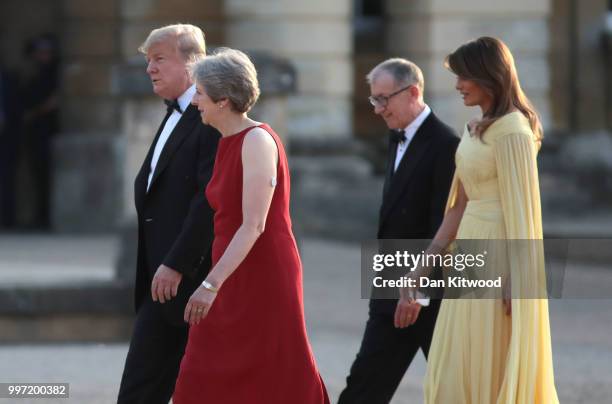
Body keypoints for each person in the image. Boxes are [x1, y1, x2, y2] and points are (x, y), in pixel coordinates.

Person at [172, 48, 329, 404]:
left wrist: (210, 284)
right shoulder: (226, 141)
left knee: (274, 368)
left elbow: (254, 225)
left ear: (223, 100)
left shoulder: (257, 140)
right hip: (230, 266)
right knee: (202, 366)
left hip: (262, 270)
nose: (194, 101)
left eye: (199, 93)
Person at [417, 37, 559, 403]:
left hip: (499, 252)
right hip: (469, 248)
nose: (458, 85)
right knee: (454, 357)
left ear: (488, 76)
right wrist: (425, 263)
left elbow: (523, 209)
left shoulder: (514, 130)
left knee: (487, 354)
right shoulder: (474, 128)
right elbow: (458, 206)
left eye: (464, 76)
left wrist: (518, 276)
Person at [337, 58, 459, 404]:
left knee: (456, 389)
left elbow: (443, 223)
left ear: (413, 92)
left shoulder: (444, 144)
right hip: (392, 285)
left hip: (428, 294)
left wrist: (418, 293)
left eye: (383, 99)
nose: (377, 109)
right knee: (364, 384)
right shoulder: (396, 135)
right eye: (374, 100)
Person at [117, 24, 220, 404]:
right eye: (148, 61)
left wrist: (178, 262)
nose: (150, 69)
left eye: (159, 59)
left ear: (194, 63)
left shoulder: (212, 114)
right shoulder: (178, 111)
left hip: (189, 280)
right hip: (160, 280)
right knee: (143, 389)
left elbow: (209, 199)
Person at [21, 34, 59, 229]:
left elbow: (53, 103)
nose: (44, 56)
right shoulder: (35, 74)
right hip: (35, 134)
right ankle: (40, 217)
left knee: (46, 177)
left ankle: (45, 218)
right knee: (38, 178)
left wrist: (35, 112)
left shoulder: (52, 75)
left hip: (47, 133)